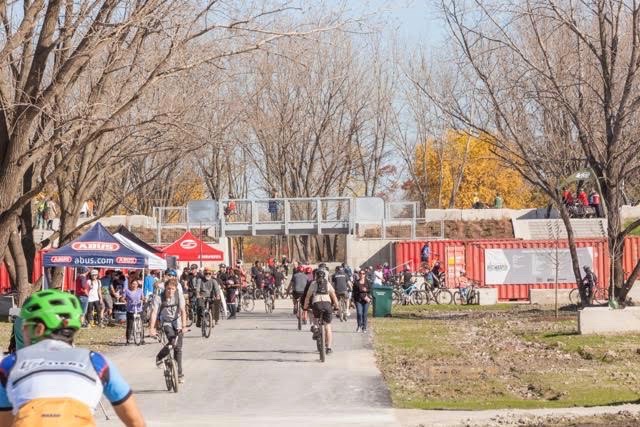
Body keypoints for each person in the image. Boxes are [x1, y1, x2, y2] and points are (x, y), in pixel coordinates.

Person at [0, 289, 145, 426]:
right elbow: (135, 422)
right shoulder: (96, 362)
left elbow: (5, 422)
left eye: (26, 326)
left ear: (39, 329)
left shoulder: (10, 365)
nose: (23, 330)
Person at [149, 278, 186, 384]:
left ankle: (179, 374)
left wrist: (183, 326)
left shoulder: (179, 296)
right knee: (173, 342)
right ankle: (159, 356)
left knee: (178, 348)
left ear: (175, 289)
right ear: (165, 288)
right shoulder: (158, 297)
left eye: (172, 289)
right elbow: (154, 313)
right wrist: (152, 328)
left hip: (177, 321)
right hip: (166, 322)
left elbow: (183, 311)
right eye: (168, 289)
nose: (170, 291)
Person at [303, 270, 338, 354]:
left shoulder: (313, 284)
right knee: (328, 326)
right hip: (327, 305)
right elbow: (334, 296)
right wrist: (337, 306)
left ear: (316, 276)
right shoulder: (328, 284)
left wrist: (305, 307)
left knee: (315, 317)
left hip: (317, 304)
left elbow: (308, 297)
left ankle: (315, 328)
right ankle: (329, 348)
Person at [124, 276, 144, 345]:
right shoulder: (127, 291)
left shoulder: (140, 290)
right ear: (130, 284)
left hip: (139, 309)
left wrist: (143, 300)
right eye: (133, 284)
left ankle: (142, 339)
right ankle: (128, 340)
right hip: (130, 309)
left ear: (137, 284)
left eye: (136, 284)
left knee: (141, 325)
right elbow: (123, 298)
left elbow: (143, 298)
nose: (134, 285)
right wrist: (124, 300)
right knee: (129, 325)